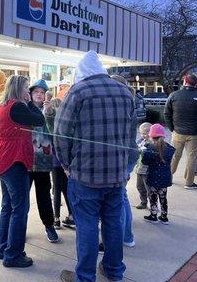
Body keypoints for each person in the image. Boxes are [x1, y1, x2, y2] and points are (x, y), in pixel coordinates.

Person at [55, 51, 136, 282]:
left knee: (87, 227)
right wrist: (127, 166)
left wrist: (66, 164)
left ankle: (85, 277)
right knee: (113, 224)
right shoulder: (124, 92)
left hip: (85, 175)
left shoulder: (78, 92)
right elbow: (131, 139)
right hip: (117, 175)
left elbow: (61, 134)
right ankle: (113, 271)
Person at [0, 75, 45, 268]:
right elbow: (39, 119)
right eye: (25, 88)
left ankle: (3, 247)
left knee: (8, 205)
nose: (28, 92)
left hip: (4, 160)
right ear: (17, 89)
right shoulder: (18, 106)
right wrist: (31, 102)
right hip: (14, 160)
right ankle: (13, 255)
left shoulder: (4, 106)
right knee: (20, 209)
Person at [164, 74, 197, 190]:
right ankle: (189, 183)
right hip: (195, 133)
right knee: (192, 157)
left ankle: (168, 177)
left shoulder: (174, 95)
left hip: (178, 132)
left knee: (175, 156)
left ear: (185, 82)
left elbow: (167, 113)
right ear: (195, 83)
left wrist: (172, 128)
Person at [28, 79, 59, 243]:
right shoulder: (25, 109)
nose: (39, 95)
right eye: (36, 92)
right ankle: (20, 227)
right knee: (22, 198)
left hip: (43, 162)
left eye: (42, 92)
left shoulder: (51, 111)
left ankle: (49, 226)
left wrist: (49, 114)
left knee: (44, 196)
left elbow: (55, 133)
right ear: (31, 94)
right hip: (25, 160)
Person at [110, 74, 138, 248]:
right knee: (122, 196)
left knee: (120, 197)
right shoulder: (128, 102)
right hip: (128, 155)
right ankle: (126, 236)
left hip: (124, 156)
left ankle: (125, 237)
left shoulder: (123, 105)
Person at [45, 95, 74, 229]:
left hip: (56, 162)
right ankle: (71, 215)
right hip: (67, 162)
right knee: (67, 189)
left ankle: (56, 218)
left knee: (56, 189)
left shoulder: (52, 125)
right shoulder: (66, 123)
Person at [141, 124, 176, 224]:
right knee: (163, 197)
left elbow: (145, 162)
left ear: (151, 136)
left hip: (153, 177)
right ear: (163, 135)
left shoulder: (149, 148)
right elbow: (170, 156)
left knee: (153, 197)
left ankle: (154, 216)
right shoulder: (169, 148)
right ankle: (164, 217)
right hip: (165, 178)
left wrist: (144, 153)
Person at [135, 122, 152, 210]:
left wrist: (145, 149)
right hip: (139, 169)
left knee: (149, 189)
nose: (143, 135)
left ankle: (153, 204)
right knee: (139, 187)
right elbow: (135, 147)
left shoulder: (152, 142)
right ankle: (143, 202)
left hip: (147, 171)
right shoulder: (140, 140)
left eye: (146, 133)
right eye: (142, 133)